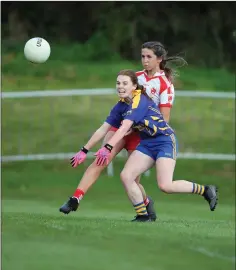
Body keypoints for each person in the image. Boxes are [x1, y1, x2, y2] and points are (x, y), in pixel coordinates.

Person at [59, 41, 184, 220]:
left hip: (141, 133)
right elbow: (124, 103)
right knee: (101, 159)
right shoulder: (136, 77)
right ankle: (75, 199)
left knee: (131, 180)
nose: (145, 60)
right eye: (143, 56)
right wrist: (85, 149)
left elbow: (164, 119)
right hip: (123, 125)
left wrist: (140, 127)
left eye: (149, 57)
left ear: (159, 59)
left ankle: (146, 205)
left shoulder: (165, 84)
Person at [94, 69, 218, 222]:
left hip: (164, 141)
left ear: (134, 86)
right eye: (118, 83)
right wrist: (85, 150)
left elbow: (124, 128)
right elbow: (106, 128)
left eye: (125, 83)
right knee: (126, 176)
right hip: (147, 143)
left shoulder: (138, 101)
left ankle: (205, 190)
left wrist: (107, 147)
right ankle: (143, 215)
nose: (120, 86)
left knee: (165, 186)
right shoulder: (122, 105)